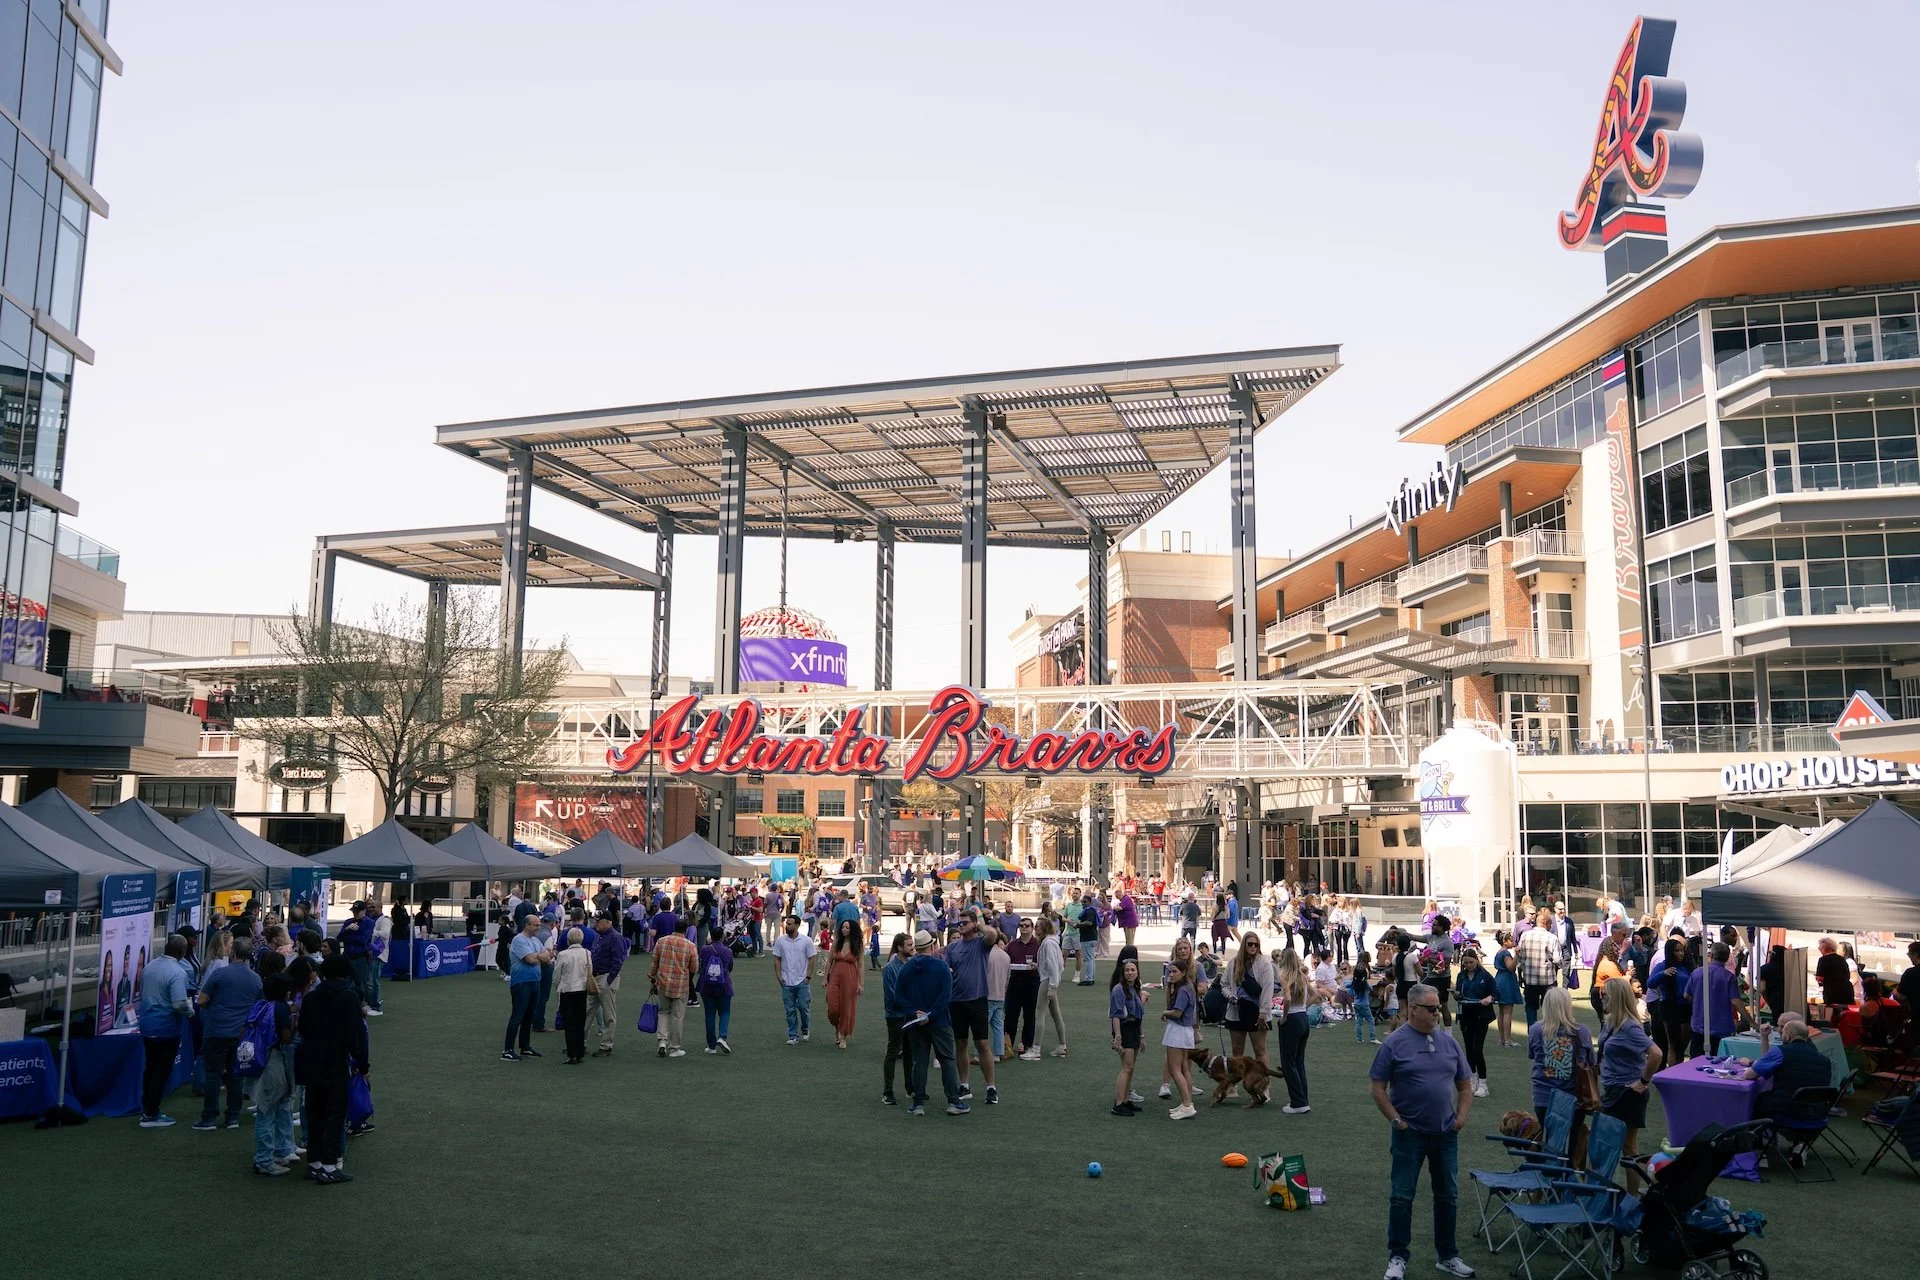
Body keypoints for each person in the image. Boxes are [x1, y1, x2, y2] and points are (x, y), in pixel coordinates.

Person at [1370, 980, 1476, 1280]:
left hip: (1445, 1133)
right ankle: (1398, 1257)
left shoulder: (1448, 1042)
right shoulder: (1394, 1043)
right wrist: (1396, 1121)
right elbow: (1377, 1088)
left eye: (1440, 1007)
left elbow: (1465, 1084)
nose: (1438, 1013)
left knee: (1448, 1196)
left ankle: (1448, 1255)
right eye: (1432, 1009)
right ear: (1413, 1010)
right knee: (1402, 1196)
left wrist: (1461, 1117)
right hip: (1409, 1134)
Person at [299, 954, 368, 1184]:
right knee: (335, 1114)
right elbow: (356, 1036)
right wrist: (362, 1064)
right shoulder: (349, 998)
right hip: (336, 1062)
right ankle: (329, 1165)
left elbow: (304, 1030)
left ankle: (315, 1162)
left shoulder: (310, 999)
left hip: (312, 1062)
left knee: (315, 1113)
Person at [1598, 976, 1662, 1193]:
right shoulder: (1612, 1022)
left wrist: (1643, 1081)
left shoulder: (1629, 1027)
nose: (1602, 997)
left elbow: (1656, 1053)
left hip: (1626, 1092)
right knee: (1618, 1145)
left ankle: (1631, 1195)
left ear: (1616, 997)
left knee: (1627, 1147)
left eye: (1605, 994)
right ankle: (1619, 1192)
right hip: (1614, 1089)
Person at [192, 938, 263, 1131]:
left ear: (233, 953)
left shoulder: (220, 974)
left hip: (217, 1030)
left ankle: (209, 1117)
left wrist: (214, 1006)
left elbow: (202, 1000)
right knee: (236, 1075)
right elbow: (259, 1006)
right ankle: (232, 1117)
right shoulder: (255, 979)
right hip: (241, 1034)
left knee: (214, 1075)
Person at [898, 928, 965, 1116]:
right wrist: (930, 1014)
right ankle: (953, 1101)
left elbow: (899, 995)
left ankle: (918, 1103)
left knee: (919, 1061)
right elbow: (945, 995)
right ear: (932, 946)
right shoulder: (941, 966)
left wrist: (914, 1014)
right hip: (939, 1021)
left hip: (915, 1022)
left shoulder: (907, 968)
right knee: (947, 1060)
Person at [249, 951, 300, 1175]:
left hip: (261, 1058)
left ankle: (273, 1153)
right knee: (267, 1111)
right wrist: (294, 1022)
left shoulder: (261, 1005)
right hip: (274, 1059)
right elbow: (286, 1037)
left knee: (271, 1108)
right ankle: (264, 1161)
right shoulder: (279, 1008)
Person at [1527, 986, 1593, 1156]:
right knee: (1571, 1144)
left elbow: (1532, 1055)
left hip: (1544, 1097)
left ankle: (1550, 1178)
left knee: (1549, 1143)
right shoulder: (1581, 1032)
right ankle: (1566, 1176)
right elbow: (1591, 1061)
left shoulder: (1535, 1030)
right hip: (1574, 1098)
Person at [136, 934, 193, 1128]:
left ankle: (148, 1108)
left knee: (151, 1068)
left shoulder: (150, 966)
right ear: (182, 952)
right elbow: (179, 1004)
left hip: (147, 1024)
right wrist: (190, 1011)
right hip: (165, 1028)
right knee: (160, 1071)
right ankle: (151, 1113)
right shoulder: (177, 972)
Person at [945, 913, 999, 1103]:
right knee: (960, 1043)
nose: (960, 925)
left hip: (977, 1000)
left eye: (965, 922)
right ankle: (964, 1085)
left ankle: (991, 1087)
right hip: (956, 1001)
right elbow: (946, 971)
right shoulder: (952, 948)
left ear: (974, 925)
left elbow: (992, 935)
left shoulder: (981, 944)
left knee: (983, 1044)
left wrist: (980, 924)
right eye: (959, 922)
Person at [649, 914, 699, 1058]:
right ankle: (675, 1047)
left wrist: (653, 979)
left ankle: (662, 1041)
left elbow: (654, 962)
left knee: (663, 1012)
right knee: (678, 1016)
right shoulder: (690, 946)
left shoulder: (661, 941)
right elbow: (694, 968)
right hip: (681, 984)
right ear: (686, 930)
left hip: (663, 982)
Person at [501, 914, 549, 1061]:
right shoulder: (519, 940)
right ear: (527, 925)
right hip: (521, 983)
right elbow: (529, 959)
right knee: (518, 1016)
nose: (538, 927)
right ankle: (508, 1049)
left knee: (529, 1016)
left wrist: (539, 957)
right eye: (536, 925)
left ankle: (525, 1046)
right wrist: (539, 957)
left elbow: (547, 956)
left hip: (535, 981)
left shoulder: (535, 940)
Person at [1225, 931, 1274, 1072]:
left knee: (1259, 1050)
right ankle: (1232, 1085)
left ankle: (1263, 1085)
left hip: (1257, 1012)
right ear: (1244, 945)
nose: (1253, 947)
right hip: (1237, 1011)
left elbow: (1268, 989)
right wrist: (1231, 997)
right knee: (1237, 1050)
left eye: (1256, 944)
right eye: (1250, 944)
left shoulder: (1264, 963)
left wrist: (1263, 1012)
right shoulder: (1233, 963)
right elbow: (1224, 984)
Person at [1453, 947, 1496, 1098]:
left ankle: (1483, 1083)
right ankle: (1472, 1080)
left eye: (1471, 962)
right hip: (1466, 1014)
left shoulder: (1484, 975)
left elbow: (1495, 992)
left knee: (1477, 1049)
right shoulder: (1461, 976)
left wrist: (1489, 999)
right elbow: (1459, 994)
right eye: (1465, 963)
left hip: (1481, 1015)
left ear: (1476, 961)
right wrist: (1457, 994)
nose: (1468, 965)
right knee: (1469, 1050)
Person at [1685, 942, 1742, 1057]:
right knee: (1719, 1064)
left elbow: (1686, 995)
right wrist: (1751, 1022)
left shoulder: (1697, 973)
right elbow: (1735, 1001)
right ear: (1727, 958)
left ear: (1711, 955)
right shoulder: (1729, 977)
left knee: (1695, 1063)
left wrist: (1699, 1002)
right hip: (1722, 1028)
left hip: (1699, 1025)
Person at [1274, 947, 1312, 1114]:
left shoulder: (1284, 976)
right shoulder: (1302, 976)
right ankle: (1303, 1099)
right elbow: (1316, 994)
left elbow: (1287, 998)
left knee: (1288, 1062)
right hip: (1303, 1018)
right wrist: (1303, 1007)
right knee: (1298, 1061)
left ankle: (1298, 1102)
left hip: (1293, 1020)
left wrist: (1284, 1015)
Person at [770, 916, 818, 1045]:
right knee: (789, 1010)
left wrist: (808, 976)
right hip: (786, 980)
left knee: (803, 1007)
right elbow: (777, 959)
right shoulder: (780, 940)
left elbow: (812, 958)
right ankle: (792, 1035)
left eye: (790, 924)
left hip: (801, 980)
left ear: (797, 925)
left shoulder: (806, 941)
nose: (787, 926)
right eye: (787, 923)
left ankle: (805, 1028)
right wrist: (779, 976)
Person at [1109, 955, 1147, 1116]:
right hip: (1125, 1030)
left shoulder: (1135, 989)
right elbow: (1115, 1014)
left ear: (1137, 972)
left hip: (1134, 1029)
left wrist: (1142, 1036)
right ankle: (1119, 1103)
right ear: (1122, 973)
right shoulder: (1119, 989)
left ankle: (1125, 1100)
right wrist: (1118, 1036)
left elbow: (1139, 1015)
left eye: (1133, 970)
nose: (1130, 973)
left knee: (1130, 1068)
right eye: (1127, 970)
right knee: (1127, 1067)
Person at [1160, 957, 1198, 1119]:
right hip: (1185, 1030)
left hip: (1178, 1030)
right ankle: (1187, 1102)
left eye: (1175, 972)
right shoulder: (1186, 987)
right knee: (1183, 1068)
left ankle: (1188, 1104)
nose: (1171, 975)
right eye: (1170, 972)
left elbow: (1176, 1012)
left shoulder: (1183, 990)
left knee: (1175, 1069)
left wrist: (1165, 1013)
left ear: (1183, 972)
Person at [588, 914, 630, 1057]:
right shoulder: (599, 935)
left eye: (599, 921)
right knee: (588, 1010)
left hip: (606, 976)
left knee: (608, 1014)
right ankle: (580, 1041)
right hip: (597, 976)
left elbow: (618, 960)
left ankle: (606, 1045)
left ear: (608, 922)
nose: (596, 923)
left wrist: (610, 979)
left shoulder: (615, 937)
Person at [881, 932, 915, 1105]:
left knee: (909, 1052)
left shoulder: (910, 964)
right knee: (893, 1052)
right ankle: (888, 1091)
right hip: (895, 1015)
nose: (912, 948)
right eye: (909, 945)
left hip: (909, 1015)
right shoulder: (890, 968)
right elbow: (892, 996)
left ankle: (911, 1088)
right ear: (900, 947)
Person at [1514, 907, 1561, 1025]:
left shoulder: (1525, 936)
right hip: (1547, 980)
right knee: (1550, 1010)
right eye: (1550, 924)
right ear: (1546, 923)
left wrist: (1521, 973)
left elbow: (1520, 956)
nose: (1551, 926)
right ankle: (1549, 1034)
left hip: (1530, 980)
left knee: (1530, 1009)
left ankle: (1533, 1035)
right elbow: (1557, 959)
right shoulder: (1552, 938)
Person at [553, 927, 593, 1065]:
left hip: (567, 990)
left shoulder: (563, 955)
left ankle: (572, 1054)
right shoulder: (587, 953)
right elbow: (590, 971)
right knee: (580, 1022)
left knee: (569, 1024)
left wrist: (557, 987)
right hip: (582, 990)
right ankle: (580, 1051)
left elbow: (557, 975)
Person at [1030, 917, 1067, 1060]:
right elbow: (1055, 964)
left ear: (1044, 928)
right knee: (1055, 1014)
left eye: (1038, 926)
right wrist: (1038, 965)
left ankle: (1036, 1049)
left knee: (1039, 1014)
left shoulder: (1048, 943)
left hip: (1048, 982)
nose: (1035, 929)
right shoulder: (1050, 942)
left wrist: (1052, 986)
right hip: (1051, 980)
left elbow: (1053, 965)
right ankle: (1062, 1046)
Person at [1004, 917, 1041, 1060]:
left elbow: (1044, 962)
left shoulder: (1037, 944)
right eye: (1021, 925)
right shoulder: (1012, 945)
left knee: (1029, 1015)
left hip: (1031, 982)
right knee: (1011, 1015)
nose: (1024, 928)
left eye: (1027, 925)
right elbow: (1005, 960)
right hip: (1014, 982)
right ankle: (1008, 1044)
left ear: (1032, 928)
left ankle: (1027, 1045)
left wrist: (1036, 965)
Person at [825, 918, 864, 1050]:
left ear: (852, 930)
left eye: (847, 928)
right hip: (835, 976)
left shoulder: (857, 945)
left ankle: (843, 1036)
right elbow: (829, 961)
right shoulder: (836, 943)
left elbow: (861, 966)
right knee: (833, 1008)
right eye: (843, 927)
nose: (844, 930)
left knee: (847, 1007)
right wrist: (825, 978)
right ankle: (837, 1027)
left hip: (850, 977)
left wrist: (860, 983)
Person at [337, 901, 381, 1016]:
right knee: (344, 982)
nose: (355, 914)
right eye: (354, 911)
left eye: (357, 911)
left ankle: (359, 1007)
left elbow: (363, 940)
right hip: (347, 956)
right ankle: (343, 1006)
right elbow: (339, 938)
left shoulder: (369, 923)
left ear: (364, 911)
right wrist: (347, 930)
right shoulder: (348, 922)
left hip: (360, 957)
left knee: (360, 984)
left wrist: (348, 935)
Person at [698, 926, 735, 1053]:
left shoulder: (704, 949)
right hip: (723, 985)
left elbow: (701, 965)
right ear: (722, 937)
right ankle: (722, 1036)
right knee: (725, 1012)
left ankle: (711, 1045)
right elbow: (730, 967)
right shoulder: (728, 951)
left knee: (709, 1014)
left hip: (707, 985)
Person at [1492, 930, 1523, 1048]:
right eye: (1511, 940)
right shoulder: (1505, 954)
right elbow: (1510, 967)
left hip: (1499, 979)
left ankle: (1502, 1039)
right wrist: (1517, 955)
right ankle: (1508, 1040)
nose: (1514, 942)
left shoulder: (1499, 952)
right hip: (1506, 982)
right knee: (1507, 1012)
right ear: (1505, 941)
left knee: (1501, 1012)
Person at [1815, 937, 1855, 1012]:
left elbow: (1820, 978)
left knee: (1832, 1014)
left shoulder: (1823, 960)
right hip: (1847, 991)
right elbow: (1847, 975)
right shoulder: (1842, 959)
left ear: (1825, 948)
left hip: (1832, 992)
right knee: (1845, 1014)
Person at [1351, 955, 1381, 1046]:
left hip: (1356, 1004)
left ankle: (1359, 1038)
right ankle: (1373, 1038)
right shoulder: (1365, 984)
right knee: (1370, 1020)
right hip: (1364, 1004)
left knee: (1359, 1021)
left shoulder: (1354, 983)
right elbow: (1371, 989)